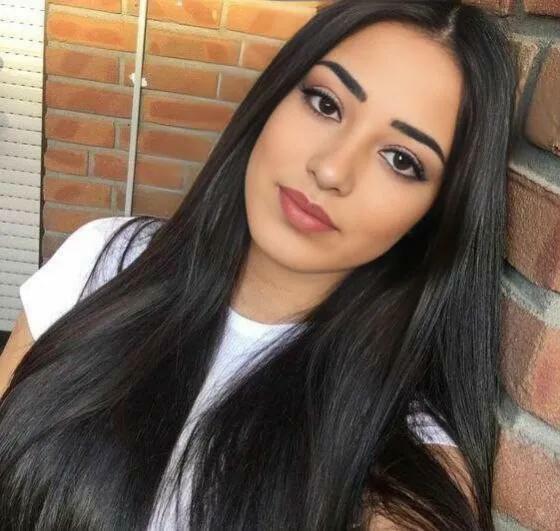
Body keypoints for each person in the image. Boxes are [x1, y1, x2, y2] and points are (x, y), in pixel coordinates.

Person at [0, 0, 516, 529]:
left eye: (401, 160)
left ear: (436, 216)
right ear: (275, 96)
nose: (331, 169)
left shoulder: (407, 458)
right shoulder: (104, 261)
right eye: (325, 104)